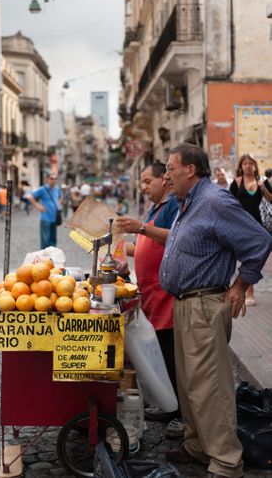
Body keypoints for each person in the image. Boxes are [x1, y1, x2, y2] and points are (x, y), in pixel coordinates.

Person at [161, 143, 272, 478]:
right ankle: (197, 445)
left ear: (190, 170)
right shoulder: (188, 202)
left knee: (210, 387)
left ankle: (225, 462)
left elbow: (259, 241)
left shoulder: (215, 201)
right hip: (185, 303)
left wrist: (241, 284)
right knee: (189, 383)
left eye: (170, 168)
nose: (167, 175)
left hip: (204, 305)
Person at [116, 162, 182, 437]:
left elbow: (175, 238)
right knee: (158, 355)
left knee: (170, 357)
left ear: (164, 181)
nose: (143, 187)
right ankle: (167, 405)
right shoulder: (155, 208)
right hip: (150, 294)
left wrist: (141, 227)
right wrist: (116, 247)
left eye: (147, 181)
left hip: (165, 294)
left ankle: (179, 414)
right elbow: (144, 247)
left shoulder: (171, 208)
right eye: (142, 182)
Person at [229, 154, 272, 305]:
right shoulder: (237, 182)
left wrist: (263, 188)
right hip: (242, 226)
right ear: (241, 167)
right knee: (247, 259)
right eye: (245, 163)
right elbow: (229, 202)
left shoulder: (261, 182)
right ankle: (249, 293)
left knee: (261, 258)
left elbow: (270, 199)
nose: (247, 166)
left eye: (250, 163)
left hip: (260, 226)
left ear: (254, 165)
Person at [28, 173, 62, 249]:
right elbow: (30, 196)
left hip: (54, 217)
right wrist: (38, 206)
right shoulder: (43, 189)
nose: (54, 180)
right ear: (47, 179)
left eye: (55, 179)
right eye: (51, 178)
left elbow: (60, 197)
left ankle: (52, 256)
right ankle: (44, 257)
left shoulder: (57, 189)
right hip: (46, 218)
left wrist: (58, 205)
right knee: (45, 240)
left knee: (53, 239)